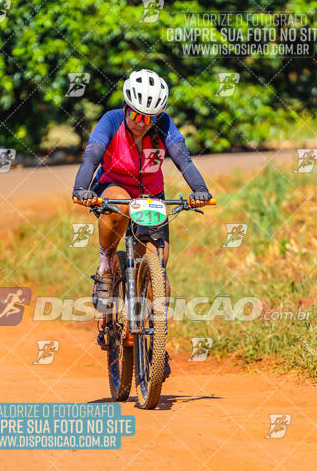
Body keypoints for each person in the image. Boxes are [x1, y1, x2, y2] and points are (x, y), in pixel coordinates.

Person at [73, 69, 212, 351]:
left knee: (158, 270)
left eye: (149, 118)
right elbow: (91, 156)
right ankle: (105, 268)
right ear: (126, 107)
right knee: (121, 201)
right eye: (136, 116)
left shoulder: (163, 125)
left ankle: (153, 346)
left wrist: (201, 191)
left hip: (151, 196)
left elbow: (183, 159)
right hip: (112, 189)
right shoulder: (111, 120)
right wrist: (81, 188)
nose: (141, 123)